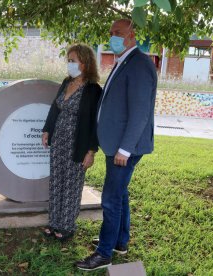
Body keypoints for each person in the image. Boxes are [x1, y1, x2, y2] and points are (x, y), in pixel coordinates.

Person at [75, 19, 157, 271]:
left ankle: (104, 253)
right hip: (118, 145)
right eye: (111, 33)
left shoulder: (140, 64)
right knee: (120, 194)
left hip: (124, 148)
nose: (113, 37)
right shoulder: (126, 61)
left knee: (110, 199)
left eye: (118, 33)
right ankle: (119, 242)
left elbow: (140, 112)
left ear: (132, 36)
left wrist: (125, 148)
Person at [42, 43, 102, 242]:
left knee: (72, 186)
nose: (69, 64)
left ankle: (67, 226)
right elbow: (55, 108)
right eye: (68, 61)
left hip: (78, 145)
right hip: (59, 141)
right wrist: (47, 130)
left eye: (72, 61)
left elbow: (95, 122)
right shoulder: (66, 82)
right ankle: (54, 222)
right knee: (57, 182)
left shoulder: (93, 90)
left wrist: (91, 151)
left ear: (84, 63)